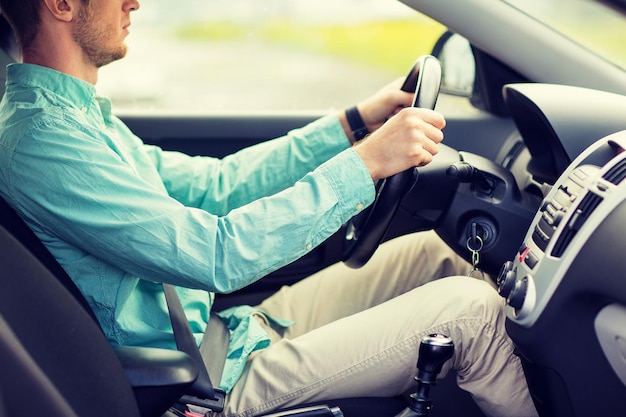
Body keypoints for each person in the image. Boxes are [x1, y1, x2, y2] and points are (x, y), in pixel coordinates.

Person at [0, 1, 538, 417]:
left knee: (435, 253)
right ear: (62, 4)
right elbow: (216, 254)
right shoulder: (44, 142)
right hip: (208, 386)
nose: (135, 3)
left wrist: (351, 125)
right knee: (471, 312)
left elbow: (215, 184)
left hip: (228, 332)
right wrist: (364, 164)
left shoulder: (77, 118)